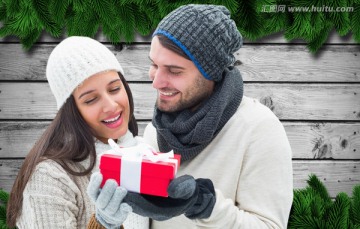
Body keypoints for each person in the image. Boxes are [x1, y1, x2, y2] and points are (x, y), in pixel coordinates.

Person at [89, 4, 293, 229]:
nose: (156, 81)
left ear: (211, 73)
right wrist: (109, 221)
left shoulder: (258, 129)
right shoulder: (157, 131)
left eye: (174, 71)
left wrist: (207, 207)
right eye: (154, 65)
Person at [6, 36, 149, 228]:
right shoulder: (50, 177)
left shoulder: (140, 151)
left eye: (114, 88)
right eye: (91, 100)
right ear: (71, 111)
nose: (111, 105)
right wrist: (103, 224)